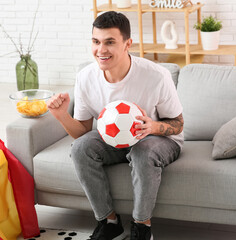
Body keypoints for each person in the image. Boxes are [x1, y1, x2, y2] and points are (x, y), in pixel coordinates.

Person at [47, 11, 184, 240]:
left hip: (157, 140)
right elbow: (81, 132)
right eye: (96, 41)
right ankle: (110, 222)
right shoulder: (85, 77)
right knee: (80, 148)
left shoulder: (156, 76)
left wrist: (153, 127)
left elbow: (178, 125)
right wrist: (62, 116)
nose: (101, 50)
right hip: (114, 141)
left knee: (142, 151)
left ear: (127, 44)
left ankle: (142, 227)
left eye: (110, 42)